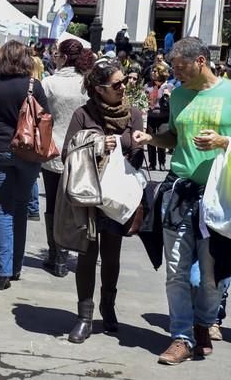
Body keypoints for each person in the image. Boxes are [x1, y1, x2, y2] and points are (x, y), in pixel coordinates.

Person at [132, 37, 231, 365]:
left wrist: (224, 139)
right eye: (173, 68)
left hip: (219, 193)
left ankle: (204, 324)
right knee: (176, 269)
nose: (176, 74)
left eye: (181, 67)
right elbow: (174, 137)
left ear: (201, 61)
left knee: (211, 273)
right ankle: (181, 337)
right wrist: (152, 138)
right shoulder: (180, 96)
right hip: (179, 190)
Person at [60, 58, 143, 344]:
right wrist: (97, 144)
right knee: (86, 254)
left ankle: (108, 307)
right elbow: (67, 153)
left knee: (112, 255)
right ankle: (84, 316)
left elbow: (136, 152)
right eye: (116, 84)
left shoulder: (133, 114)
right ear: (99, 89)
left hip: (117, 196)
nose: (123, 87)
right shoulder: (83, 114)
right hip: (89, 195)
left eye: (124, 82)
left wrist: (122, 143)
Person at [0, 40, 49, 290]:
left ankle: (3, 271)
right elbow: (45, 120)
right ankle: (16, 266)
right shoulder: (34, 85)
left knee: (3, 210)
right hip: (27, 151)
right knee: (20, 207)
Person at [39, 39, 95, 277]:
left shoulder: (49, 83)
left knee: (52, 202)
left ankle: (56, 255)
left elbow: (41, 114)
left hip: (53, 148)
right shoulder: (87, 82)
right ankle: (72, 248)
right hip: (82, 149)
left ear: (61, 57)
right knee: (78, 202)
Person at [145, 62, 173, 171]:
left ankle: (162, 162)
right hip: (151, 116)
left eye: (155, 71)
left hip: (164, 117)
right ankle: (152, 163)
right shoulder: (148, 86)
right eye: (152, 70)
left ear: (161, 73)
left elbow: (174, 102)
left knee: (161, 139)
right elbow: (142, 100)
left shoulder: (169, 86)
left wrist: (169, 96)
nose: (152, 72)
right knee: (150, 139)